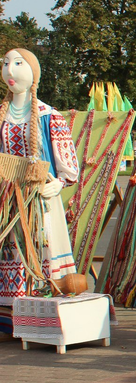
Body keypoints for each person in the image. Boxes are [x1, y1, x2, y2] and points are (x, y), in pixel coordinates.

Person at [0, 49, 79, 335]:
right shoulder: (1, 116)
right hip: (7, 200)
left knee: (39, 246)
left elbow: (68, 164)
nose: (10, 70)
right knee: (10, 251)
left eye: (18, 64)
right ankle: (12, 322)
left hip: (40, 198)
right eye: (6, 63)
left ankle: (40, 322)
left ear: (33, 72)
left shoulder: (49, 116)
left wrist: (61, 181)